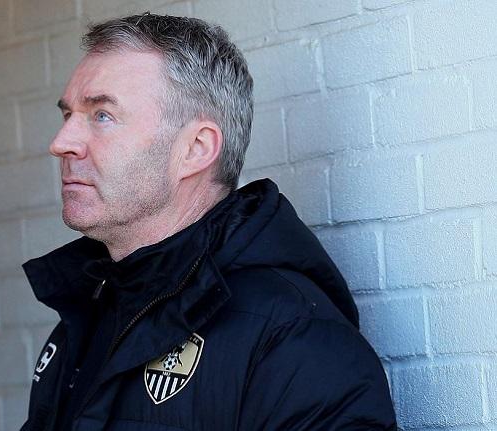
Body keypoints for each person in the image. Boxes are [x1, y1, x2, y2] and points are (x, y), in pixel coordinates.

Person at [21, 12, 397, 431]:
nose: (62, 143)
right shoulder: (89, 317)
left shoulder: (291, 335)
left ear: (196, 148)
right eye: (68, 116)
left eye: (102, 115)